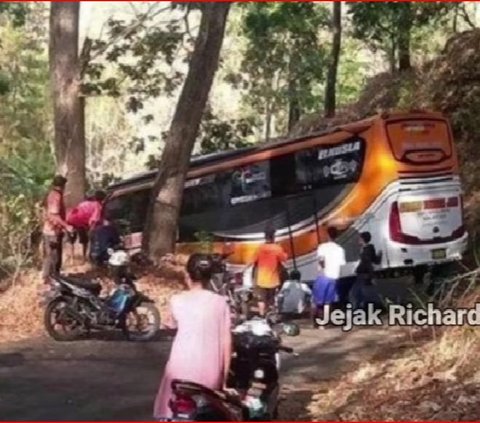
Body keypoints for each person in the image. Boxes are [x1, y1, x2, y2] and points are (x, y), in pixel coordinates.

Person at [153, 254, 232, 419]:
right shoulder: (220, 302)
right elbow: (226, 342)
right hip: (210, 371)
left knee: (171, 408)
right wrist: (223, 380)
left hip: (179, 369)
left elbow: (170, 324)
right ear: (210, 277)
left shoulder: (176, 300)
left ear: (187, 275)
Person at [312, 226, 346, 328]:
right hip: (334, 277)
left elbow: (321, 260)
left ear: (327, 235)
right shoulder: (340, 249)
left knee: (318, 301)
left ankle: (318, 322)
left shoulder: (322, 247)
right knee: (328, 301)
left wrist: (322, 268)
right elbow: (342, 264)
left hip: (323, 276)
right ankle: (325, 321)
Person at [41, 175, 72, 284]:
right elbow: (54, 215)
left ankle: (51, 277)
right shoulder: (55, 196)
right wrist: (66, 226)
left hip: (52, 230)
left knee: (52, 255)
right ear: (62, 185)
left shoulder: (52, 194)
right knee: (53, 256)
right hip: (52, 231)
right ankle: (51, 278)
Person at [252, 227, 288, 317]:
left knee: (261, 300)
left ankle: (262, 316)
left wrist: (243, 270)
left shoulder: (260, 248)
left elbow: (252, 261)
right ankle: (271, 316)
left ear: (265, 237)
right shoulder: (277, 248)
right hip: (273, 280)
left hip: (261, 279)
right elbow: (284, 259)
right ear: (273, 236)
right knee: (271, 299)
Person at [66, 190, 106, 263]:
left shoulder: (82, 203)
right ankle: (84, 258)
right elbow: (94, 219)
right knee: (85, 241)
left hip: (71, 221)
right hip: (81, 224)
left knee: (71, 241)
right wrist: (91, 230)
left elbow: (75, 211)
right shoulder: (97, 205)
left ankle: (72, 259)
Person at [351, 231, 379, 310]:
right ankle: (364, 308)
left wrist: (372, 276)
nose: (358, 240)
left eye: (360, 238)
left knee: (356, 293)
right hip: (363, 274)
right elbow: (374, 260)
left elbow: (368, 264)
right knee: (362, 293)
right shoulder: (368, 249)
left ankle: (360, 310)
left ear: (363, 239)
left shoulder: (366, 250)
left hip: (363, 274)